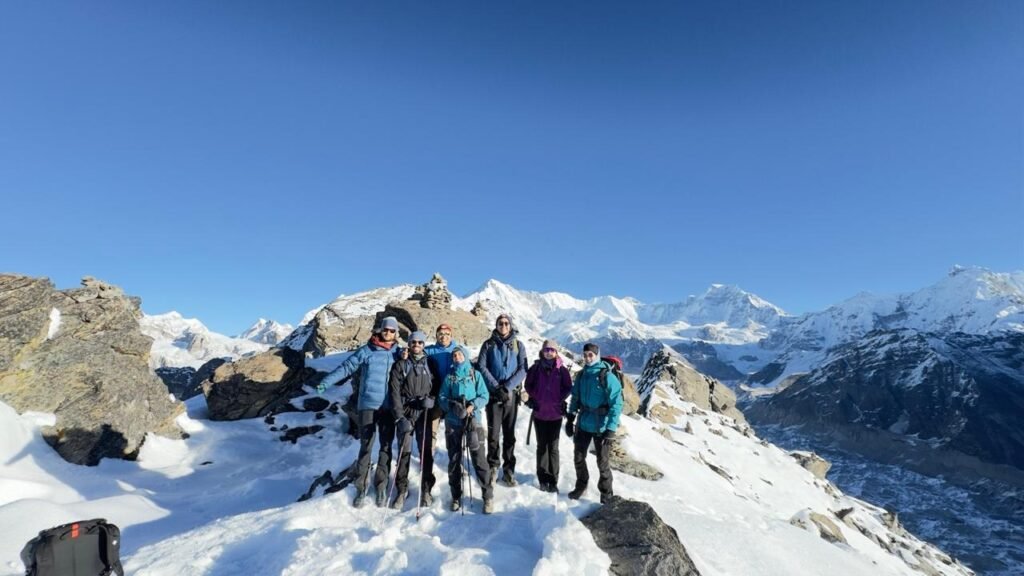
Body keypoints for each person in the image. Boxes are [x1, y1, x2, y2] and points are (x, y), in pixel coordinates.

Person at [317, 316, 402, 507]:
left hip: (388, 407)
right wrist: (326, 381)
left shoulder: (398, 353)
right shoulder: (367, 350)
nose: (388, 333)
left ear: (397, 333)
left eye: (392, 330)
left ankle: (381, 487)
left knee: (386, 448)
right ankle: (362, 489)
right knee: (366, 448)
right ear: (380, 330)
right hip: (368, 406)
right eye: (385, 330)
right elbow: (347, 367)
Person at [439, 346, 494, 514]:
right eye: (454, 355)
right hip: (453, 421)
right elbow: (441, 397)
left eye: (459, 354)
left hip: (473, 421)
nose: (457, 357)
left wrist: (471, 406)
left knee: (479, 458)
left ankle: (487, 496)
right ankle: (456, 496)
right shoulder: (450, 377)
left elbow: (485, 396)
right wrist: (451, 405)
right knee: (454, 459)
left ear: (466, 356)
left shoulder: (474, 374)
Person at [566, 342, 623, 504]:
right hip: (583, 422)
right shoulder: (582, 375)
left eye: (590, 355)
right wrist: (570, 418)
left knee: (602, 462)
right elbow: (575, 397)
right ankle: (581, 485)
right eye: (585, 355)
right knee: (578, 457)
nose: (587, 358)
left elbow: (617, 404)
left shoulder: (607, 376)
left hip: (602, 425)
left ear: (597, 355)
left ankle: (606, 494)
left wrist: (611, 429)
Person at [386, 331, 438, 510]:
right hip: (407, 411)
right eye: (413, 342)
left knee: (426, 452)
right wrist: (400, 417)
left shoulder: (430, 363)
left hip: (424, 412)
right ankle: (402, 489)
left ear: (424, 345)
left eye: (420, 342)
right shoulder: (401, 364)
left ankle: (426, 489)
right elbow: (394, 392)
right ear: (409, 344)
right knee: (404, 451)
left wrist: (431, 399)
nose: (416, 344)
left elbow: (437, 385)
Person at [476, 313, 528, 487]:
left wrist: (507, 387)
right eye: (500, 323)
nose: (503, 326)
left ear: (510, 325)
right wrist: (497, 387)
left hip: (511, 396)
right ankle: (493, 466)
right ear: (496, 325)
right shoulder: (488, 345)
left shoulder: (518, 346)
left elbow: (523, 369)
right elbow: (482, 367)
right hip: (493, 396)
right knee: (493, 434)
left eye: (506, 323)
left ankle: (508, 469)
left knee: (509, 434)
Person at [523, 339, 573, 493]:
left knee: (553, 448)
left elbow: (568, 387)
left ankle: (553, 480)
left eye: (552, 350)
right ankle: (543, 479)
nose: (549, 352)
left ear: (556, 352)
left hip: (555, 415)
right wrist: (535, 397)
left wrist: (559, 399)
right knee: (542, 447)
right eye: (546, 350)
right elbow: (528, 385)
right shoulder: (536, 368)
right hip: (540, 414)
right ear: (542, 351)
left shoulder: (561, 370)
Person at [420, 323, 458, 504]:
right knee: (431, 437)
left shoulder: (457, 350)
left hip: (450, 400)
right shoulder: (429, 351)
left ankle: (454, 467)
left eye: (447, 333)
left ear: (451, 335)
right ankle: (428, 473)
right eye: (440, 333)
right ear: (436, 335)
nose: (444, 336)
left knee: (453, 435)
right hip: (435, 399)